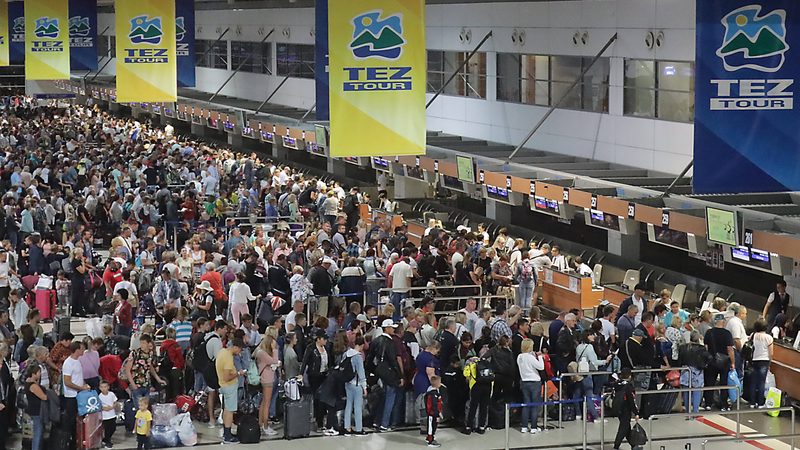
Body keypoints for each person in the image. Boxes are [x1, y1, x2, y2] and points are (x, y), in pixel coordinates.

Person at [216, 337, 246, 444]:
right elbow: (227, 377)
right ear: (235, 347)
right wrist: (238, 373)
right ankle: (228, 437)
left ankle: (226, 433)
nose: (240, 352)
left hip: (222, 386)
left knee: (226, 410)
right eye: (240, 349)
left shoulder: (222, 351)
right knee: (229, 411)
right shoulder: (228, 358)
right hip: (229, 387)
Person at [704, 313, 735, 411]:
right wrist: (733, 362)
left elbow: (706, 347)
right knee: (723, 383)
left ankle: (708, 403)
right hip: (724, 362)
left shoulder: (709, 332)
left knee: (709, 382)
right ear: (723, 322)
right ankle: (723, 405)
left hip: (712, 361)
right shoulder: (727, 333)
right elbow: (730, 349)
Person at [678, 330, 709, 417]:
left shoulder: (683, 347)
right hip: (697, 371)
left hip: (685, 370)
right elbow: (707, 358)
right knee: (696, 391)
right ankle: (695, 411)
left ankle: (688, 411)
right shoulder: (701, 348)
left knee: (686, 391)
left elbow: (679, 360)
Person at [517, 338, 544, 434]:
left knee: (526, 404)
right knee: (534, 405)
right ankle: (533, 427)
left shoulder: (519, 357)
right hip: (534, 382)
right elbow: (541, 367)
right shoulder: (530, 357)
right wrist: (540, 357)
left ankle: (524, 426)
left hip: (524, 382)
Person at [343, 336, 368, 436]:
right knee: (357, 407)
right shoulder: (358, 357)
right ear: (361, 345)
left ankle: (347, 428)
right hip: (356, 384)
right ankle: (358, 428)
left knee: (348, 405)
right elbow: (361, 374)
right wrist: (365, 387)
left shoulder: (346, 354)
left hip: (347, 383)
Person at [255, 334, 280, 436]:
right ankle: (265, 426)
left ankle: (261, 423)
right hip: (267, 380)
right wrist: (275, 350)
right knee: (267, 403)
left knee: (263, 402)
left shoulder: (261, 352)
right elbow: (274, 361)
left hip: (267, 378)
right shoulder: (262, 353)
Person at [612, 367, 639, 450]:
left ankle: (633, 445)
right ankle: (616, 445)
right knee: (623, 428)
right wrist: (636, 413)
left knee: (626, 427)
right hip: (626, 409)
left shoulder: (617, 384)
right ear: (630, 376)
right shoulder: (629, 386)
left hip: (618, 408)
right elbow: (631, 400)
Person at [749, 318, 774, 408]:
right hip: (764, 361)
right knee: (761, 383)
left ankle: (752, 402)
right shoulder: (769, 338)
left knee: (753, 382)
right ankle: (760, 403)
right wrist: (770, 363)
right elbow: (771, 353)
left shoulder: (753, 335)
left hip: (754, 360)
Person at [25, 364, 48, 450]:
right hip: (36, 411)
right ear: (33, 373)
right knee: (38, 432)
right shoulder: (33, 385)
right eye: (38, 372)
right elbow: (43, 397)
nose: (40, 374)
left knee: (38, 431)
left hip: (35, 410)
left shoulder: (29, 382)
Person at [424, 375, 444, 448]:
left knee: (433, 426)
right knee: (431, 427)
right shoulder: (433, 394)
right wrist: (437, 415)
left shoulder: (434, 392)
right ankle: (430, 441)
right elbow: (434, 406)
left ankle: (430, 437)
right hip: (432, 414)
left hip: (434, 413)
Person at [99, 380, 119, 449]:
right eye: (102, 387)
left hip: (112, 414)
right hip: (105, 416)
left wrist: (112, 407)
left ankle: (106, 439)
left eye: (105, 387)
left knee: (113, 428)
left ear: (108, 387)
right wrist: (104, 408)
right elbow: (99, 406)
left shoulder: (111, 394)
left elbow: (115, 401)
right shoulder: (99, 396)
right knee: (107, 430)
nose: (104, 388)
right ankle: (108, 442)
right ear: (100, 388)